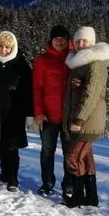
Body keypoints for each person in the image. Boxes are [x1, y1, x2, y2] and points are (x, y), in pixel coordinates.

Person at [62, 26, 109, 208]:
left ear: (92, 43)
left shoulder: (95, 63)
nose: (81, 44)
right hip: (82, 119)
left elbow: (91, 94)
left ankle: (77, 195)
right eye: (78, 41)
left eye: (85, 41)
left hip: (86, 121)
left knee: (73, 157)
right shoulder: (80, 63)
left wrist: (78, 119)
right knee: (85, 158)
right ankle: (90, 196)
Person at [0, 31, 34, 192]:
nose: (3, 50)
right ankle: (4, 173)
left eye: (7, 47)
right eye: (0, 46)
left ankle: (13, 177)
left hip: (14, 112)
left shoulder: (20, 64)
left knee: (12, 145)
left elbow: (28, 90)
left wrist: (29, 114)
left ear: (12, 48)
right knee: (1, 143)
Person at [32, 24, 71, 195]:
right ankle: (47, 182)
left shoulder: (74, 58)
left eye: (63, 39)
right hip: (48, 115)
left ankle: (68, 184)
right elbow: (36, 88)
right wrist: (39, 112)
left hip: (69, 115)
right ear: (51, 40)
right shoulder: (42, 60)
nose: (60, 42)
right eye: (57, 38)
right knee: (47, 151)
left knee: (69, 153)